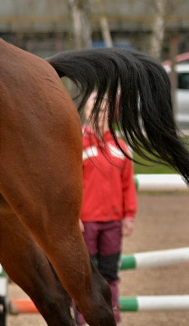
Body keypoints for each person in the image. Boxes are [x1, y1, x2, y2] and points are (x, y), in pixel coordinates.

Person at [75, 94, 137, 324]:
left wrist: (129, 216)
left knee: (110, 275)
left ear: (110, 114)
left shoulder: (121, 146)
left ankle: (112, 319)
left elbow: (127, 184)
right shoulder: (77, 141)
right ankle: (83, 319)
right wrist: (74, 218)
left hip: (112, 222)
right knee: (86, 276)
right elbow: (72, 185)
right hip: (86, 222)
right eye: (95, 110)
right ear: (87, 113)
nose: (99, 115)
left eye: (103, 111)